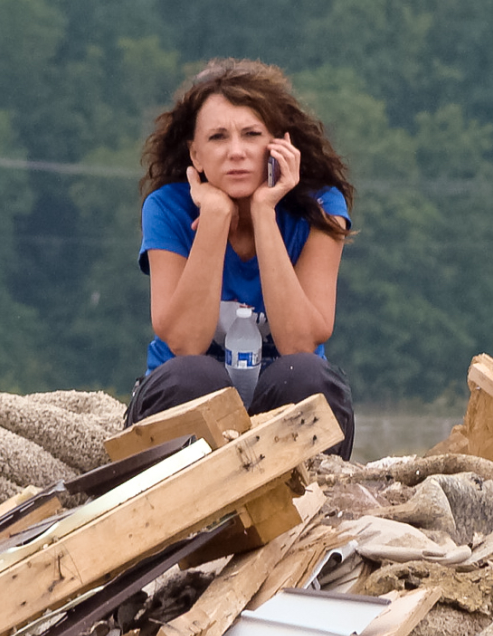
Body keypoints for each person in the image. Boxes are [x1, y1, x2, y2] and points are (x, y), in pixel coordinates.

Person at [125, 58, 356, 458]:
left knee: (307, 375)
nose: (236, 152)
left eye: (251, 135)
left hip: (283, 397)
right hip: (183, 399)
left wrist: (264, 211)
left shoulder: (321, 206)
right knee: (195, 376)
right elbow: (184, 342)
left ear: (280, 145)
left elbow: (300, 341)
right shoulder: (167, 207)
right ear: (195, 156)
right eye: (218, 138)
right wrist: (214, 220)